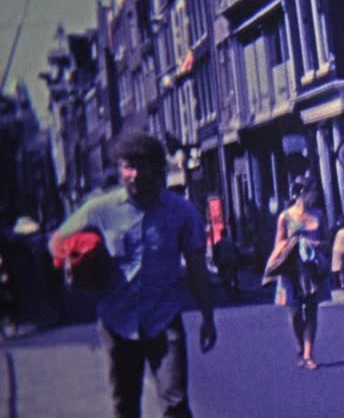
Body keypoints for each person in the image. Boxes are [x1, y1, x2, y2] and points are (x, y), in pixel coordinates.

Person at [48, 131, 217, 418]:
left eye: (141, 166)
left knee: (175, 402)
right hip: (117, 322)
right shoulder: (100, 209)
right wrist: (78, 260)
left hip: (163, 320)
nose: (134, 174)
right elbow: (57, 241)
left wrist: (207, 317)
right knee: (124, 405)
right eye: (127, 166)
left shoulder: (182, 212)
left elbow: (198, 269)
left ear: (157, 168)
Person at [263, 175, 331, 371]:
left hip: (312, 269)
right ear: (303, 192)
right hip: (291, 270)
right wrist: (271, 268)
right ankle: (300, 342)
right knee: (294, 313)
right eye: (313, 191)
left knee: (312, 311)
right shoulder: (285, 217)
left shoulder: (319, 215)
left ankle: (308, 354)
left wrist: (316, 245)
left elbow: (327, 241)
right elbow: (279, 244)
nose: (316, 195)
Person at [213, 228, 240, 295]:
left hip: (223, 261)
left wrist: (216, 261)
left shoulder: (219, 243)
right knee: (234, 274)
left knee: (223, 274)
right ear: (227, 234)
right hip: (232, 260)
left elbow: (215, 253)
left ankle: (227, 289)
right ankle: (236, 287)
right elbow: (237, 251)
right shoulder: (231, 242)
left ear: (221, 235)